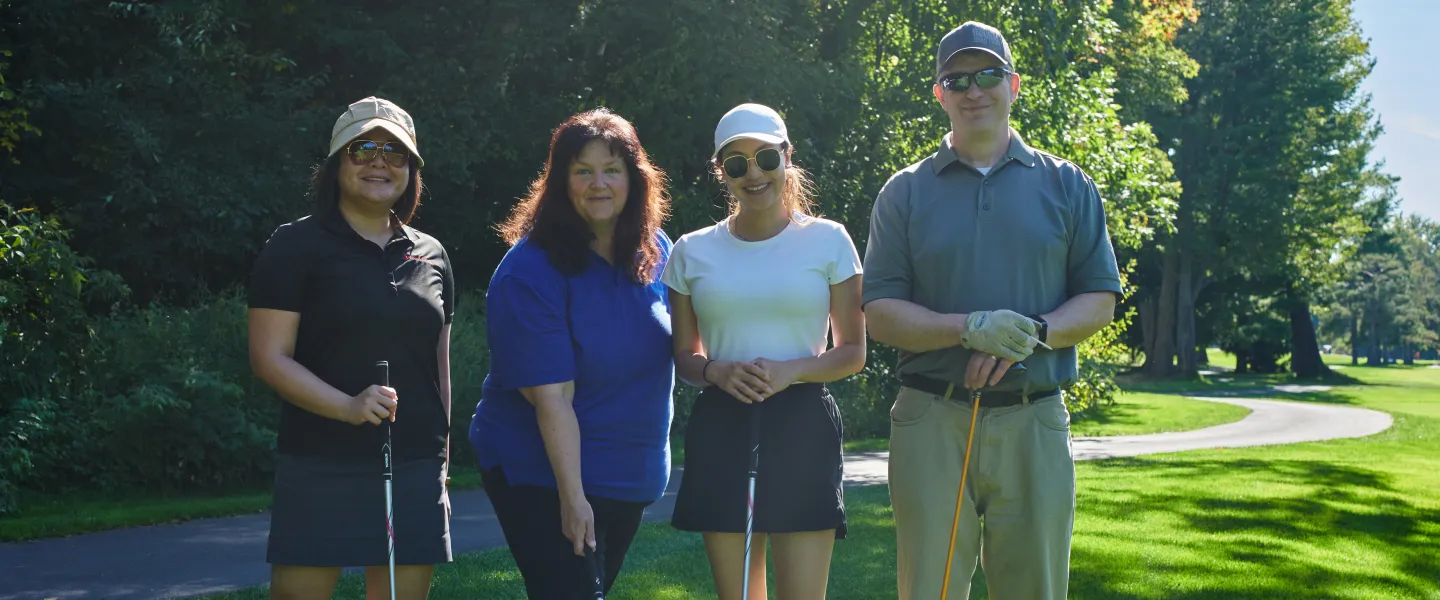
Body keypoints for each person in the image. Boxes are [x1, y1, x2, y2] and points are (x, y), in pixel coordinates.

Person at [861, 21, 1124, 600]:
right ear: (939, 94)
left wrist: (1031, 333)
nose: (973, 90)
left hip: (1034, 420)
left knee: (1035, 589)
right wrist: (970, 330)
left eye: (988, 75)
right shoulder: (904, 192)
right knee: (928, 590)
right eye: (957, 79)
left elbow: (1100, 298)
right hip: (933, 417)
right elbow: (879, 314)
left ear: (1014, 84)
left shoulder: (1067, 185)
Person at [248, 96, 454, 599]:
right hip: (320, 460)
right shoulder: (293, 245)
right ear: (338, 161)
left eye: (395, 152)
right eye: (362, 148)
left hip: (412, 465)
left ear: (411, 169)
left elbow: (439, 367)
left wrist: (441, 459)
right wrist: (347, 406)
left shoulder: (432, 255)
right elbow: (269, 356)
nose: (379, 161)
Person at [469, 107, 675, 599]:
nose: (598, 183)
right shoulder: (529, 272)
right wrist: (573, 497)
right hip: (544, 476)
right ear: (561, 182)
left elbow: (688, 346)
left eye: (612, 169)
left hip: (627, 478)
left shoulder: (657, 251)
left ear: (635, 179)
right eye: (582, 170)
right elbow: (552, 398)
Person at [663, 103, 866, 600]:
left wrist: (790, 371)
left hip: (804, 425)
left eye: (765, 158)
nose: (753, 174)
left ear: (786, 157)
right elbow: (684, 357)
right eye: (736, 163)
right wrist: (716, 370)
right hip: (724, 424)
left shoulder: (829, 240)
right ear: (721, 173)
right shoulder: (691, 250)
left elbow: (853, 351)